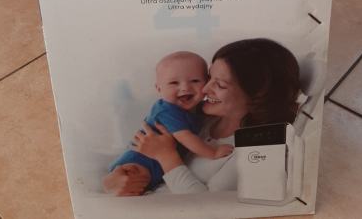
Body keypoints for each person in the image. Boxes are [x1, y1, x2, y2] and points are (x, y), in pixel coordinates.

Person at [103, 39, 300, 195]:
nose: (204, 89)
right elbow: (128, 158)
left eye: (219, 85)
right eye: (209, 77)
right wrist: (112, 182)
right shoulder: (201, 118)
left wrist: (166, 156)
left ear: (257, 96)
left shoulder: (255, 152)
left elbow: (208, 207)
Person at [105, 51, 234, 192]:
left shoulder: (198, 109)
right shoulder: (166, 110)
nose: (185, 88)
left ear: (206, 82)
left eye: (195, 81)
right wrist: (213, 153)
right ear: (159, 89)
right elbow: (186, 138)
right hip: (137, 161)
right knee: (135, 184)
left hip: (158, 166)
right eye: (174, 83)